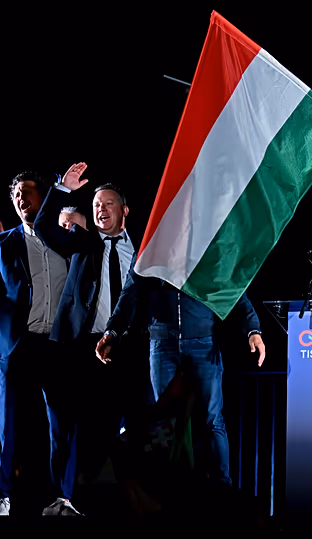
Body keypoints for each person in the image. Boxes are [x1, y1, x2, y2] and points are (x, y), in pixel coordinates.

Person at [33, 163, 151, 505]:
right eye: (96, 204)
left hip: (132, 349)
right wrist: (63, 191)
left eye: (108, 203)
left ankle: (132, 499)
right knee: (88, 430)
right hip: (84, 348)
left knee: (135, 427)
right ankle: (83, 503)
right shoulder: (82, 243)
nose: (100, 209)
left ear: (124, 210)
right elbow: (43, 226)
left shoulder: (144, 248)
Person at [95, 263, 266, 491]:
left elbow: (233, 286)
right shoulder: (153, 240)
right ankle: (169, 490)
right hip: (162, 343)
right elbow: (130, 292)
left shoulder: (205, 242)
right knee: (165, 423)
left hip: (203, 342)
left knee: (211, 419)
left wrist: (253, 329)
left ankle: (222, 490)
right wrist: (112, 332)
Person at [1, 171, 79, 516]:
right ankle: (2, 496)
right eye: (16, 194)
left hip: (58, 345)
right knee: (6, 423)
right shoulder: (3, 245)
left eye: (28, 192)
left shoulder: (64, 240)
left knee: (63, 424)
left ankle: (61, 498)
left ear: (44, 198)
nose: (21, 199)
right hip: (18, 345)